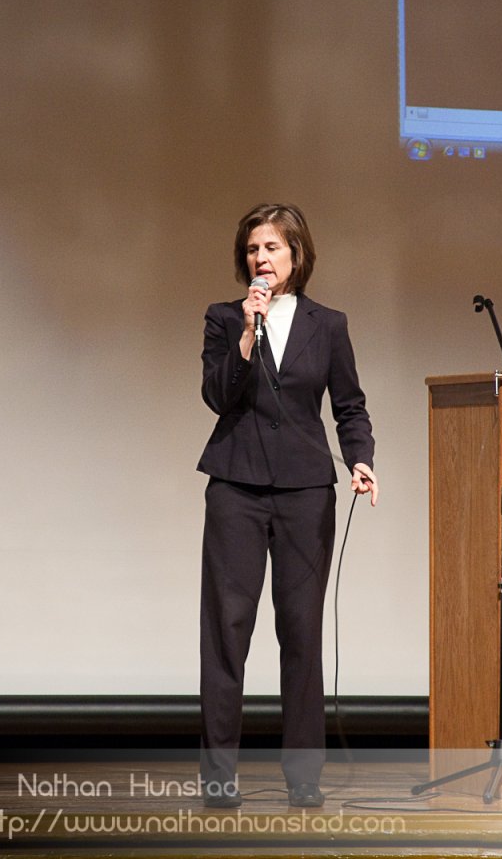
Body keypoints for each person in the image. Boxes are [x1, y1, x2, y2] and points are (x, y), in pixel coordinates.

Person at [197, 203, 378, 809]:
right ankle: (219, 778)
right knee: (227, 632)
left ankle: (304, 779)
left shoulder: (328, 325)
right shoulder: (225, 319)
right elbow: (217, 396)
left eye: (272, 247)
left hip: (305, 493)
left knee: (300, 631)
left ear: (296, 255)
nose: (261, 258)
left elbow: (349, 405)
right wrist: (248, 335)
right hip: (236, 489)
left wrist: (360, 457)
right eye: (253, 249)